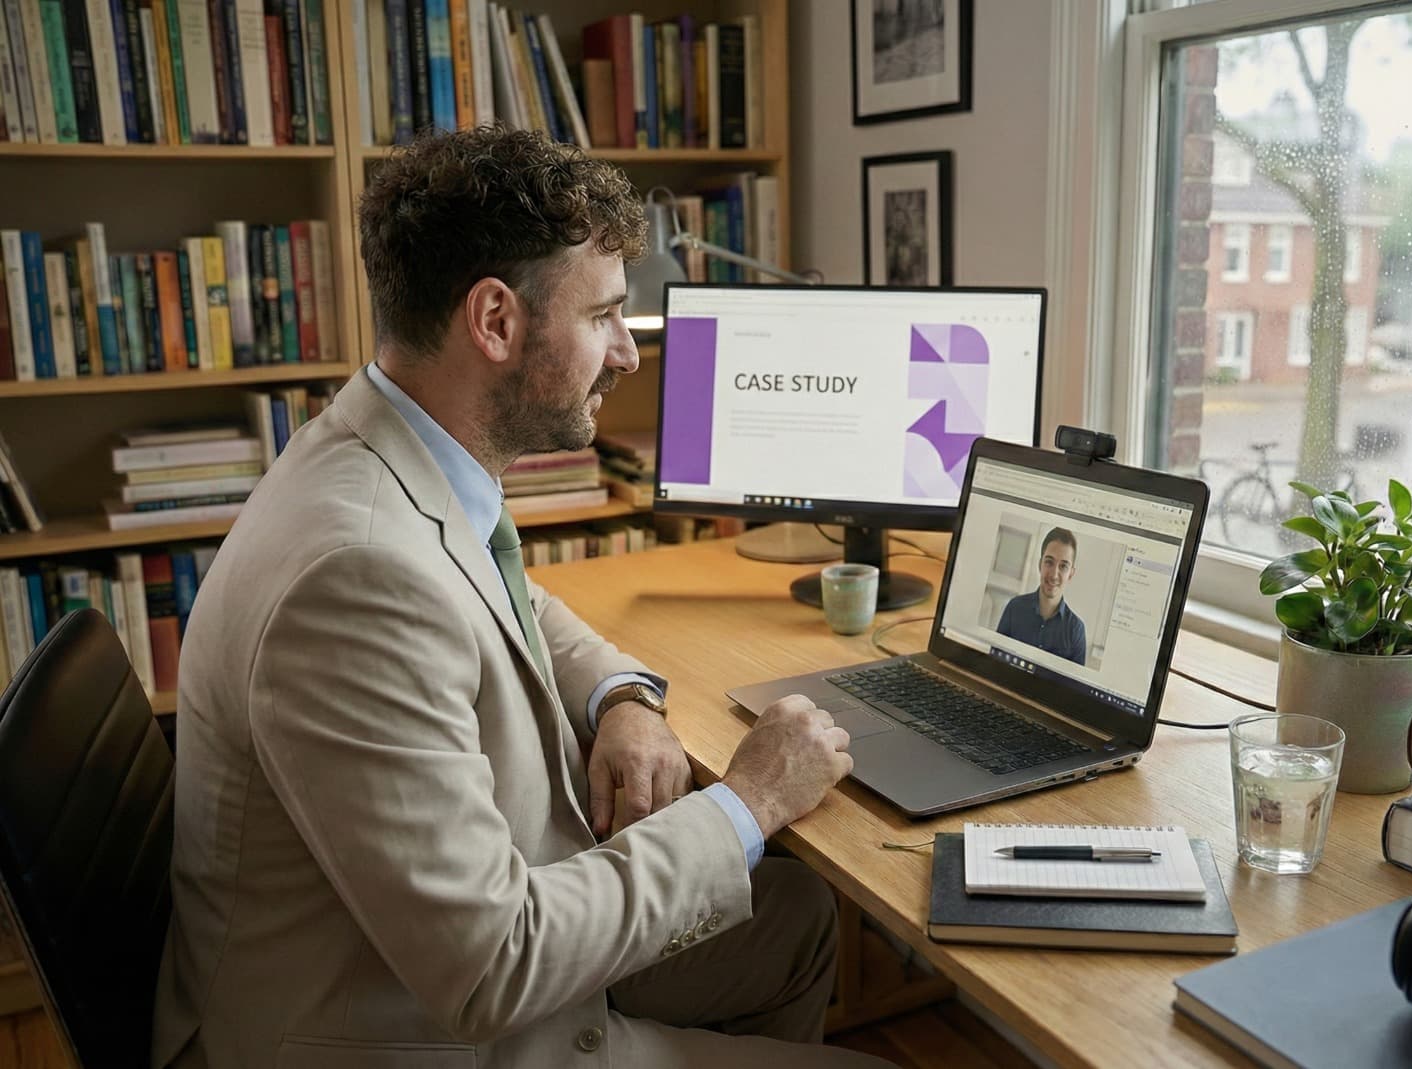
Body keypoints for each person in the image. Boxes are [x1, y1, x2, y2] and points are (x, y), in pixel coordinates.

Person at [151, 128, 891, 1069]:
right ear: (495, 321)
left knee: (793, 916)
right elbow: (493, 964)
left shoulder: (377, 449)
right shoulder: (355, 574)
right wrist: (748, 801)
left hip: (420, 963)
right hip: (400, 1031)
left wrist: (620, 696)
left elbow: (511, 599)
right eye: (606, 315)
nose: (626, 351)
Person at [996, 527, 1088, 665]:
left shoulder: (1076, 630)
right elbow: (994, 661)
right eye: (1049, 562)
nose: (1054, 575)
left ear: (1071, 574)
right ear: (1040, 565)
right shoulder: (1014, 608)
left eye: (1063, 566)